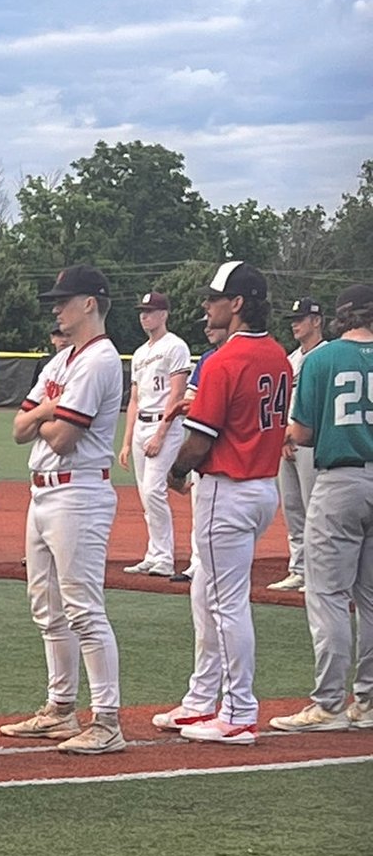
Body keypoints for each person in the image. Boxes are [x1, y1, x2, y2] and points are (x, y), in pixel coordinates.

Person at [152, 261, 291, 745]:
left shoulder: (226, 360)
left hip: (228, 487)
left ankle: (237, 711)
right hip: (259, 488)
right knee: (206, 594)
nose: (207, 305)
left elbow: (198, 443)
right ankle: (201, 698)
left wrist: (174, 471)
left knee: (225, 602)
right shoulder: (278, 354)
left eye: (215, 297)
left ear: (238, 304)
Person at [3, 264, 125, 755]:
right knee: (47, 606)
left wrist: (47, 412)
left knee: (82, 607)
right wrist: (48, 412)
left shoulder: (99, 360)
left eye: (64, 299)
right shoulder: (61, 361)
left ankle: (108, 718)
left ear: (90, 303)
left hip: (79, 492)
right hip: (44, 492)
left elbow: (66, 437)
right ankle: (60, 708)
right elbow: (17, 427)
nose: (56, 307)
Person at [269, 285, 373, 733]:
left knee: (328, 593)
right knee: (370, 599)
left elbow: (303, 432)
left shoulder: (321, 359)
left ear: (343, 316)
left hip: (342, 479)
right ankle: (368, 701)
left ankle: (329, 703)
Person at [119, 292, 191, 577]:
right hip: (141, 426)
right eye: (142, 311)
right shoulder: (139, 353)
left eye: (150, 311)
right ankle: (154, 553)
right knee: (145, 494)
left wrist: (161, 433)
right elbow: (134, 399)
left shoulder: (176, 347)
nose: (144, 316)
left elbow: (177, 393)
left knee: (154, 491)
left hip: (166, 424)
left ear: (164, 314)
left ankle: (164, 558)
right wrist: (126, 441)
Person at [268, 297, 327, 592]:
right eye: (293, 319)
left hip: (313, 442)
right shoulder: (291, 359)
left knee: (314, 507)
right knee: (293, 507)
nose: (295, 324)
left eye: (301, 319)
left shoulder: (328, 354)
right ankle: (299, 568)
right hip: (286, 441)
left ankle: (318, 571)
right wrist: (281, 437)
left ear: (317, 321)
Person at [169, 315, 227, 583]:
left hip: (225, 449)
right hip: (204, 443)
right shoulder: (206, 358)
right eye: (205, 324)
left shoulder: (230, 358)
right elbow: (189, 399)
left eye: (213, 324)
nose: (207, 328)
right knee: (200, 509)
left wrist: (200, 405)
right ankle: (197, 563)